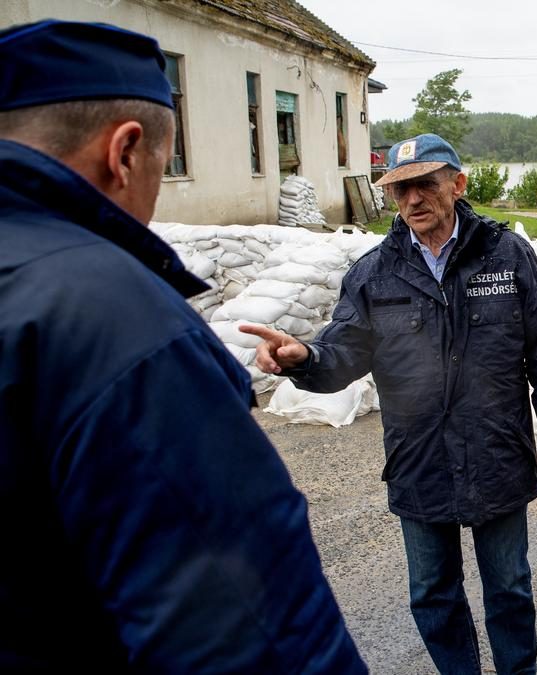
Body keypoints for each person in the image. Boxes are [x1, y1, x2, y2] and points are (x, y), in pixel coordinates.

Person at [0, 20, 364, 672]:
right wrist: (310, 359)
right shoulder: (113, 320)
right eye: (165, 170)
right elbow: (247, 622)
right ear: (126, 150)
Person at [241, 133, 537, 675]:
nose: (413, 200)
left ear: (457, 184)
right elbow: (342, 354)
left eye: (424, 184)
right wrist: (303, 356)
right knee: (432, 594)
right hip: (419, 460)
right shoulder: (375, 273)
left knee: (510, 588)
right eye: (400, 190)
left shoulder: (507, 255)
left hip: (496, 451)